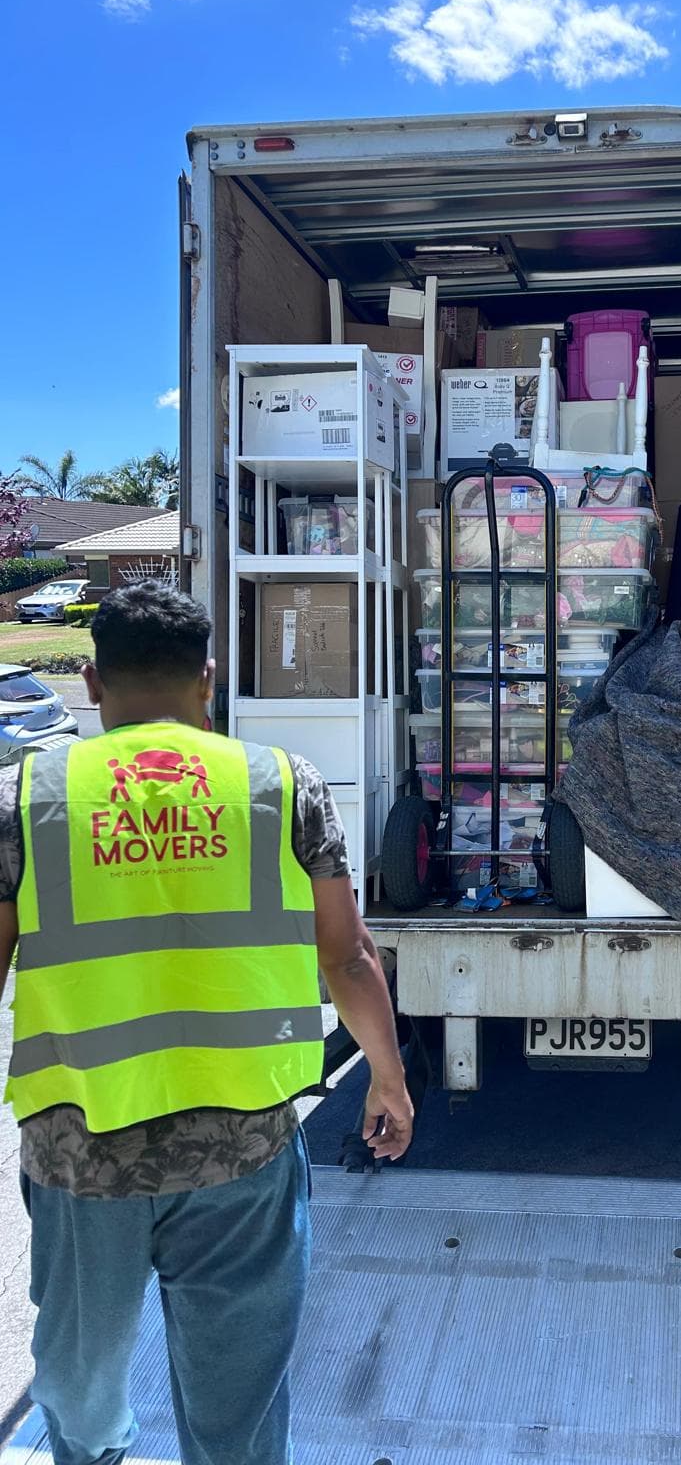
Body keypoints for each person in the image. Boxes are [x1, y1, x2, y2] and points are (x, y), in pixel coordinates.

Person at [0, 581, 414, 1465]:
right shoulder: (279, 784)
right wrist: (388, 1076)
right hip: (243, 1148)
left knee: (78, 1385)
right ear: (209, 680)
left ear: (92, 682)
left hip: (81, 1152)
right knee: (240, 1404)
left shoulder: (27, 796)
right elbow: (348, 956)